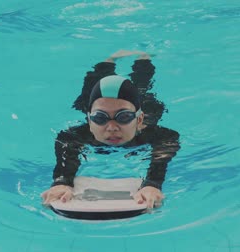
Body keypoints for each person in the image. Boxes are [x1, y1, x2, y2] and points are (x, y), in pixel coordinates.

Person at [41, 50, 180, 209]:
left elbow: (169, 139)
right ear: (89, 120)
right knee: (90, 88)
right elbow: (65, 139)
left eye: (124, 117)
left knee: (142, 86)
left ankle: (144, 57)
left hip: (144, 104)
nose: (112, 128)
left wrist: (153, 184)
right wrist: (62, 182)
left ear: (139, 119)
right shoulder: (77, 135)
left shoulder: (152, 133)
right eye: (100, 118)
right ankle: (109, 60)